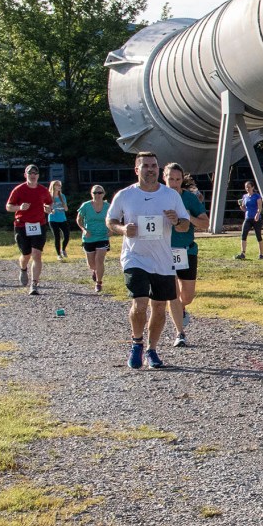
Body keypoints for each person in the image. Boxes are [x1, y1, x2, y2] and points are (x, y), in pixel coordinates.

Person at [103, 151, 191, 370]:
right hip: (135, 257)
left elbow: (184, 225)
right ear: (137, 170)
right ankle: (136, 343)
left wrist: (177, 220)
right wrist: (123, 229)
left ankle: (152, 350)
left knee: (159, 307)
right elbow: (110, 220)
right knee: (140, 302)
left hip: (162, 259)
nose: (150, 169)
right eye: (145, 166)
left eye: (153, 165)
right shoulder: (125, 195)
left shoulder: (170, 195)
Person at [161, 164, 207, 347]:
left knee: (187, 296)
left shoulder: (189, 198)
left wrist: (188, 218)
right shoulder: (157, 197)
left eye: (178, 179)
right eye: (170, 179)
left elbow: (205, 223)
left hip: (186, 250)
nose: (174, 183)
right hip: (163, 251)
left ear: (182, 180)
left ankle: (182, 308)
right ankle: (180, 333)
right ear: (164, 178)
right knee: (172, 293)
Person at [5, 164, 51, 295]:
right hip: (22, 225)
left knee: (37, 254)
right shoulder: (19, 189)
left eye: (35, 173)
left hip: (39, 225)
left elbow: (49, 202)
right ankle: (23, 268)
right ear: (26, 175)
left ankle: (34, 284)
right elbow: (8, 206)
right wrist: (19, 207)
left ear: (38, 175)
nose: (33, 175)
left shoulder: (43, 190)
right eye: (30, 173)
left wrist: (48, 208)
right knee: (26, 255)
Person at [76, 185, 112, 293]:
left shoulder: (108, 206)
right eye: (95, 193)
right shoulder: (86, 206)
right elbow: (79, 219)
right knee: (92, 264)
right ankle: (95, 271)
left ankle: (99, 283)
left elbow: (114, 218)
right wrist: (84, 229)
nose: (97, 195)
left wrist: (111, 229)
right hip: (89, 237)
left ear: (103, 194)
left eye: (99, 193)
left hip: (103, 236)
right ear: (91, 194)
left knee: (99, 260)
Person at [237, 180, 263, 259]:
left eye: (249, 187)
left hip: (256, 219)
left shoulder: (257, 196)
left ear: (253, 187)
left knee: (258, 236)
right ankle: (242, 253)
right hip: (248, 218)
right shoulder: (245, 196)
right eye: (246, 187)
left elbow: (260, 207)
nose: (247, 189)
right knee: (243, 235)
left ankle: (261, 254)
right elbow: (244, 209)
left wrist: (257, 214)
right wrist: (241, 206)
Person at [46, 179, 72, 259]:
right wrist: (50, 210)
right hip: (53, 219)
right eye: (57, 185)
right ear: (53, 186)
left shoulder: (62, 196)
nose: (59, 186)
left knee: (67, 235)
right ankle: (58, 255)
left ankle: (63, 250)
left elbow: (66, 209)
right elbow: (46, 208)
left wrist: (65, 207)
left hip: (62, 218)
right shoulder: (49, 196)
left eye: (60, 185)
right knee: (57, 237)